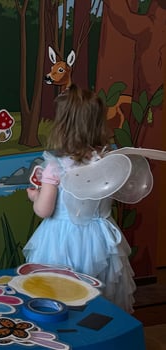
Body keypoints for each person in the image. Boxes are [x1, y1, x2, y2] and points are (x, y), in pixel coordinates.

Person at [23, 84, 136, 313]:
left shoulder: (55, 167)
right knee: (101, 297)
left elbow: (44, 210)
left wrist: (35, 196)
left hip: (61, 240)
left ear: (62, 126)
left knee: (61, 294)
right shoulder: (107, 162)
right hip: (101, 239)